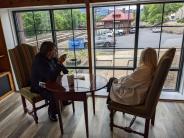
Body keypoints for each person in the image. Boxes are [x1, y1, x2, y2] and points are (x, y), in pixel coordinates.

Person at [31, 41, 69, 121]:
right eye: (54, 50)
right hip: (40, 83)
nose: (56, 51)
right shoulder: (39, 61)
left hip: (49, 81)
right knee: (53, 93)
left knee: (64, 85)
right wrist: (59, 63)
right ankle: (51, 112)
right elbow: (50, 77)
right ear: (48, 51)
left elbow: (65, 71)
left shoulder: (52, 58)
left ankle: (64, 100)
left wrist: (61, 64)